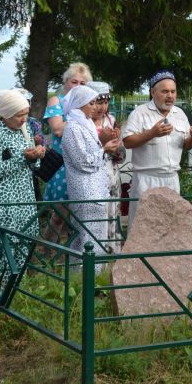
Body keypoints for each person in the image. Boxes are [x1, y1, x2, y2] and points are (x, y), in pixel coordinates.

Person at [0, 89, 45, 288]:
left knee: (20, 249)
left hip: (23, 200)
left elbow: (34, 167)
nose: (24, 119)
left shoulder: (25, 130)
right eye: (19, 115)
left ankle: (15, 293)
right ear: (5, 113)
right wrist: (23, 157)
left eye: (26, 114)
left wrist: (37, 156)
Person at [122, 70, 192, 226]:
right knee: (143, 226)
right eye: (165, 91)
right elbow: (127, 142)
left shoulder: (180, 114)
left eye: (173, 91)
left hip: (172, 179)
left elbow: (186, 146)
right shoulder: (140, 113)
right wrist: (151, 133)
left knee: (170, 226)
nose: (170, 96)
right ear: (153, 92)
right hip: (146, 179)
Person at [61, 85, 121, 259]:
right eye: (92, 103)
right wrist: (104, 149)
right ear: (80, 104)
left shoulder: (84, 124)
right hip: (85, 192)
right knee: (86, 240)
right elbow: (82, 162)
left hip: (96, 190)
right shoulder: (73, 128)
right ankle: (82, 281)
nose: (96, 107)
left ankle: (94, 279)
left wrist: (107, 147)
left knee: (96, 239)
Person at [43, 63, 93, 239]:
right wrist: (80, 117)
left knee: (78, 217)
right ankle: (45, 254)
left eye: (83, 83)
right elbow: (57, 128)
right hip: (62, 163)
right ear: (65, 82)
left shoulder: (87, 104)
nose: (78, 86)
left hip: (81, 164)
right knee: (59, 215)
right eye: (74, 81)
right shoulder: (57, 101)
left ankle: (70, 257)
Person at [87, 81, 125, 252]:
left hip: (112, 175)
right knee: (97, 218)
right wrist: (102, 143)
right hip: (92, 177)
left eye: (105, 102)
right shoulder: (82, 124)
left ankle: (112, 255)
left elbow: (121, 156)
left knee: (112, 214)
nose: (102, 107)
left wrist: (117, 145)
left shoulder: (111, 121)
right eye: (97, 102)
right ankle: (94, 259)